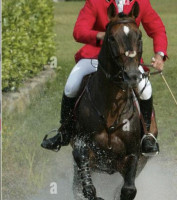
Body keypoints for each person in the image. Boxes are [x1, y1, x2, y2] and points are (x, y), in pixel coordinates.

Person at [41, 0, 168, 155]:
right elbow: (79, 31)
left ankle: (147, 135)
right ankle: (64, 132)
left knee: (146, 90)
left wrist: (159, 54)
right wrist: (101, 35)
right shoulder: (95, 2)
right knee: (71, 85)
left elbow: (158, 29)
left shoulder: (141, 3)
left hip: (128, 61)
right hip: (95, 57)